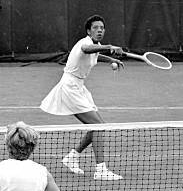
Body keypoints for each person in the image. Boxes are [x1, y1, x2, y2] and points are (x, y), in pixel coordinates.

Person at [40, 15, 124, 181]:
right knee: (99, 126)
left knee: (96, 127)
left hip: (79, 87)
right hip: (70, 87)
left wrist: (110, 59)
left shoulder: (96, 46)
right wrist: (110, 47)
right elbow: (86, 50)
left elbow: (95, 55)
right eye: (95, 28)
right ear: (88, 31)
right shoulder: (83, 43)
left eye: (102, 28)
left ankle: (72, 157)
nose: (99, 30)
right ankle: (101, 170)